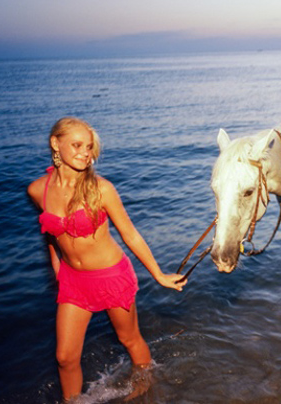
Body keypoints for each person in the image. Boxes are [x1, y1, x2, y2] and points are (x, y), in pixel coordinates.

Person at [27, 117, 187, 401]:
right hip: (74, 283)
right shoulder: (38, 190)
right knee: (65, 358)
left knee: (130, 339)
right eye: (76, 145)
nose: (85, 153)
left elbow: (131, 235)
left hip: (111, 277)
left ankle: (145, 386)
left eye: (89, 147)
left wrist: (159, 275)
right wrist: (56, 266)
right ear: (55, 143)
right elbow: (49, 232)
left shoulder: (101, 189)